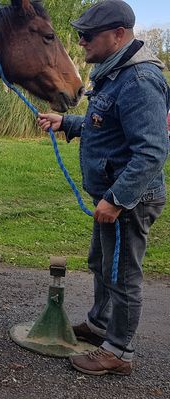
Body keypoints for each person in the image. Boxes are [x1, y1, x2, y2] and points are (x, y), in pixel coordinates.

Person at [37, 0, 170, 376]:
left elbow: (152, 151)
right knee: (101, 263)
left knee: (123, 276)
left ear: (119, 35)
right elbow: (104, 123)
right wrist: (66, 122)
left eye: (87, 35)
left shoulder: (141, 80)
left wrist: (116, 200)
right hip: (113, 197)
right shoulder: (114, 74)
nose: (80, 42)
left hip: (130, 200)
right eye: (80, 34)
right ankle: (99, 326)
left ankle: (119, 353)